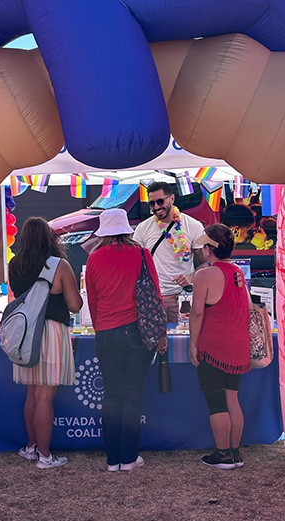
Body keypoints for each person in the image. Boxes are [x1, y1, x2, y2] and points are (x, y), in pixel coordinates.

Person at [86, 209, 166, 472]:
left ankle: (112, 459)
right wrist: (161, 333)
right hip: (136, 332)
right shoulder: (141, 253)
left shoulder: (95, 258)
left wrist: (101, 329)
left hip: (106, 333)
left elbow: (93, 301)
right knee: (132, 395)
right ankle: (129, 457)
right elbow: (155, 294)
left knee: (111, 396)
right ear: (126, 229)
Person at [8, 217, 82, 469]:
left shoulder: (14, 264)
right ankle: (45, 456)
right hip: (51, 332)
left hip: (26, 334)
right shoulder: (59, 265)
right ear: (50, 238)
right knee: (44, 397)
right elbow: (74, 305)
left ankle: (31, 447)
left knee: (32, 393)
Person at [188, 223, 250, 469]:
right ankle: (234, 452)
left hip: (213, 346)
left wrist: (193, 345)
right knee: (232, 400)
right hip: (237, 345)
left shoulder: (204, 274)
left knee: (216, 402)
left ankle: (222, 453)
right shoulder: (237, 272)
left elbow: (196, 313)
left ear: (208, 249)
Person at [133, 181, 205, 323]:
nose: (156, 207)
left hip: (183, 297)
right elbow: (135, 264)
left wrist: (190, 277)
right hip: (154, 297)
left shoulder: (193, 225)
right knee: (155, 343)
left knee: (182, 341)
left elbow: (205, 263)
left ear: (172, 198)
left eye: (160, 201)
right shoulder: (142, 228)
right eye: (152, 204)